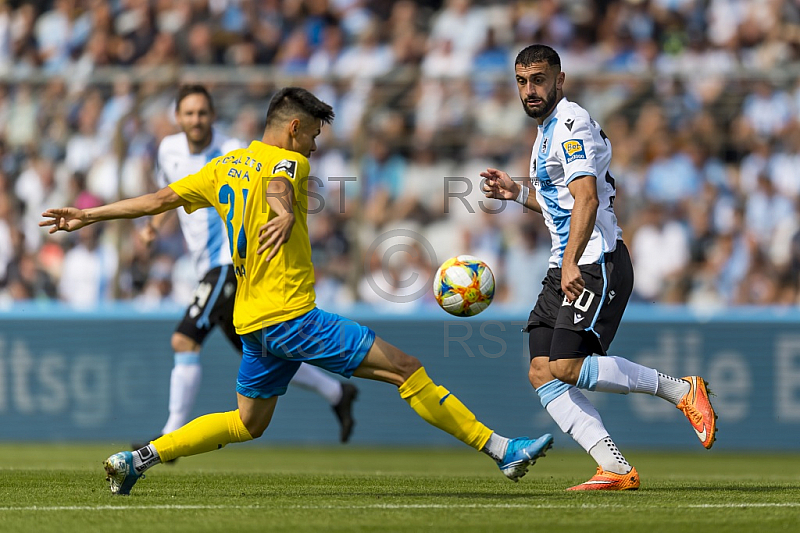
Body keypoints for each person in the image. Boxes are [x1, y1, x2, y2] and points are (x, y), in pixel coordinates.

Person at [41, 87, 554, 496]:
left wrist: (88, 214)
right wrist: (285, 211)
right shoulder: (292, 163)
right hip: (292, 317)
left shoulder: (223, 167)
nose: (315, 145)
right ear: (293, 128)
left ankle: (139, 458)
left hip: (253, 324)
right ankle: (501, 448)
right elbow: (280, 185)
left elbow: (157, 200)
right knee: (407, 369)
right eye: (312, 134)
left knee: (247, 422)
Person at [480, 44, 717, 491]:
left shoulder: (571, 123)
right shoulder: (546, 131)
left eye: (538, 80)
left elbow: (587, 198)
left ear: (559, 80)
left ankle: (682, 390)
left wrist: (570, 261)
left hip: (594, 261)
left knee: (567, 366)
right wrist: (516, 194)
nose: (529, 90)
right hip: (566, 263)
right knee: (540, 371)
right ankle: (614, 467)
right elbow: (561, 207)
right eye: (521, 81)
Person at [138, 84, 359, 446]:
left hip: (228, 262)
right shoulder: (168, 150)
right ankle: (336, 393)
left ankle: (169, 434)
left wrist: (284, 212)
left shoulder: (231, 151)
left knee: (184, 339)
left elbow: (274, 182)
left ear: (212, 116)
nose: (196, 120)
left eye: (203, 113)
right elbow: (170, 195)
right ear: (177, 118)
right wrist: (153, 225)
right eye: (189, 113)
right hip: (204, 263)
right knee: (265, 352)